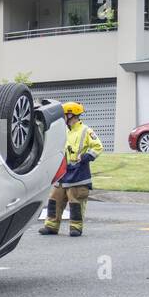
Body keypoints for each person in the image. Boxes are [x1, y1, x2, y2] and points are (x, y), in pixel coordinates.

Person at [39, 102, 102, 237]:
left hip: (78, 174)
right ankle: (51, 226)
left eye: (64, 115)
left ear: (71, 114)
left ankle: (76, 227)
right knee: (54, 199)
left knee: (76, 202)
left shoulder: (86, 130)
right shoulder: (64, 130)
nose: (63, 118)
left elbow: (98, 147)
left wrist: (85, 157)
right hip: (62, 172)